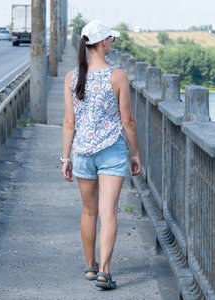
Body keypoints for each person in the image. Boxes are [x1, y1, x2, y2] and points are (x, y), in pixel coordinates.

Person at [61, 20, 141, 290]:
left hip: (82, 151)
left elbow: (68, 122)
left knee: (88, 211)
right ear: (103, 42)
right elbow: (127, 121)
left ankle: (90, 266)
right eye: (110, 39)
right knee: (109, 213)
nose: (111, 43)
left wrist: (66, 158)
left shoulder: (72, 77)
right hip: (112, 152)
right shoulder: (117, 76)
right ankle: (105, 272)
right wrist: (136, 154)